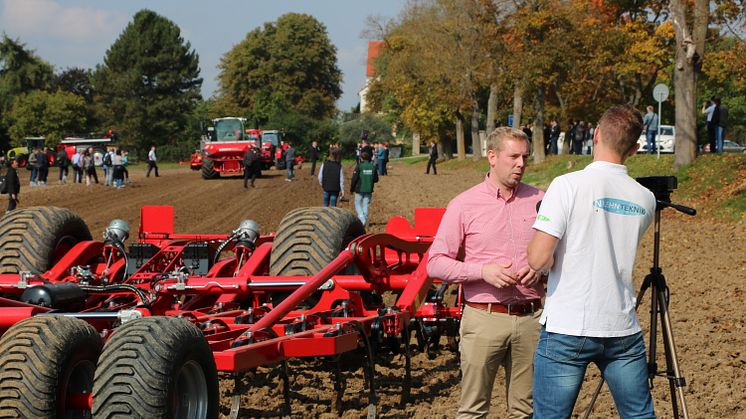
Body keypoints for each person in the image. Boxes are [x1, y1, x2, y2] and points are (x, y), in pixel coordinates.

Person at [527, 105, 656, 418]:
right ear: (635, 148)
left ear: (595, 135)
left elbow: (538, 258)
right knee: (639, 414)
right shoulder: (645, 197)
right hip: (621, 326)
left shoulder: (566, 185)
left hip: (569, 325)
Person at [428, 127, 545, 419]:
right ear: (492, 156)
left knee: (526, 410)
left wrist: (541, 265)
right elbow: (436, 263)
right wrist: (483, 272)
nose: (521, 164)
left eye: (525, 157)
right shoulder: (463, 204)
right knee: (474, 410)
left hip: (531, 319)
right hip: (484, 319)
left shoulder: (540, 200)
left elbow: (561, 252)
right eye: (514, 156)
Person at [350, 151, 378, 225]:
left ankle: (362, 218)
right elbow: (376, 179)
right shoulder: (373, 166)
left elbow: (354, 178)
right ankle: (364, 220)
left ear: (361, 158)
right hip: (369, 189)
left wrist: (351, 189)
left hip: (359, 189)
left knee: (357, 204)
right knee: (365, 205)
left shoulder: (359, 166)